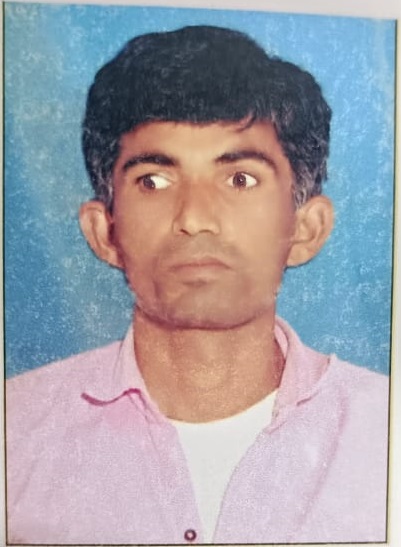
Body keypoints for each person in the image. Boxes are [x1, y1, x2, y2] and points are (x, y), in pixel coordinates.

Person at [6, 25, 388, 545]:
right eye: (153, 181)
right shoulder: (15, 432)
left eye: (240, 179)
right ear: (104, 232)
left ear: (306, 228)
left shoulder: (384, 432)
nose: (195, 218)